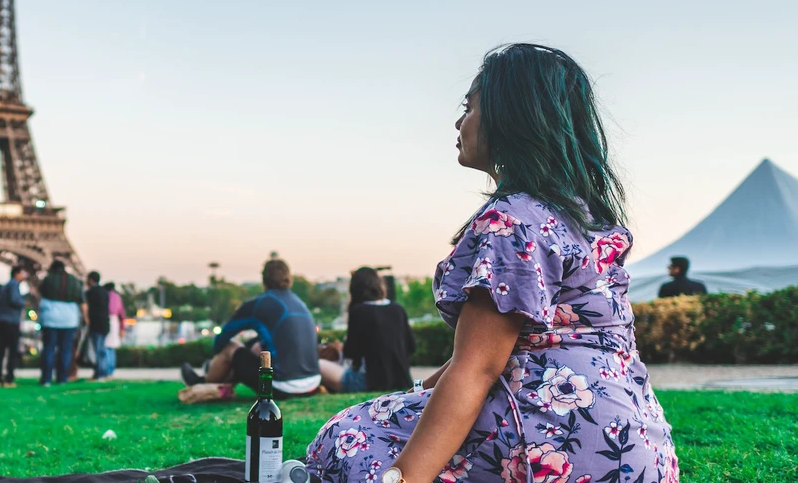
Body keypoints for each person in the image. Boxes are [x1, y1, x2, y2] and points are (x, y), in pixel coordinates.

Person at [305, 44, 678, 483]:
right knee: (397, 409)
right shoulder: (582, 216)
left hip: (555, 442)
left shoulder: (511, 220)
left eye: (469, 107)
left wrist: (403, 478)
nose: (459, 122)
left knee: (351, 432)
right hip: (636, 449)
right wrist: (416, 395)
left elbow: (478, 367)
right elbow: (492, 348)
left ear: (510, 116)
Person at [180, 258, 321, 399]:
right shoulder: (300, 303)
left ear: (264, 280)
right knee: (255, 346)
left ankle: (204, 384)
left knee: (231, 348)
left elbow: (220, 341)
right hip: (312, 384)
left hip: (282, 387)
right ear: (289, 278)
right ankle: (220, 383)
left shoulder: (259, 304)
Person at [318, 267, 416, 393]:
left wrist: (340, 349)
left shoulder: (359, 311)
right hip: (402, 380)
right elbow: (412, 346)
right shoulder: (398, 309)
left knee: (318, 365)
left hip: (369, 382)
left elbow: (351, 353)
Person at [37, 260, 86, 386]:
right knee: (65, 350)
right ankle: (62, 378)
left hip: (50, 318)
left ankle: (46, 379)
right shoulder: (75, 281)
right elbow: (82, 302)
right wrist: (86, 318)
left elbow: (40, 293)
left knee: (49, 348)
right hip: (69, 319)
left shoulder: (48, 280)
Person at [0, 265, 29, 387]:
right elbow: (14, 300)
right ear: (17, 273)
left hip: (2, 321)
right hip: (11, 321)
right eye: (23, 272)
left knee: (0, 351)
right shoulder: (14, 285)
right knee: (12, 351)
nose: (25, 275)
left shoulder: (6, 286)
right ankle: (9, 379)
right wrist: (24, 303)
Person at [84, 271, 111, 381]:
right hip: (105, 323)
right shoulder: (105, 291)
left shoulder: (90, 292)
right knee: (102, 349)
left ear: (91, 280)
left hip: (95, 324)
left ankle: (99, 373)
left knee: (97, 350)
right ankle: (104, 372)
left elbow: (87, 307)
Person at [103, 282, 126, 378]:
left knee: (105, 347)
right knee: (112, 348)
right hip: (115, 322)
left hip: (106, 320)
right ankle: (111, 371)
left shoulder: (105, 295)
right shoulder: (117, 297)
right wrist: (122, 328)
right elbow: (122, 314)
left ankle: (107, 371)